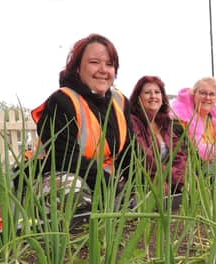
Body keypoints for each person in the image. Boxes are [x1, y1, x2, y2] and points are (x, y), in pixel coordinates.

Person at [30, 33, 133, 194]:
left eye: (109, 64)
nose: (103, 70)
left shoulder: (120, 102)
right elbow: (64, 158)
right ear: (77, 67)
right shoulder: (62, 101)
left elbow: (131, 152)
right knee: (72, 187)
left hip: (108, 181)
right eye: (94, 62)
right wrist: (111, 185)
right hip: (60, 179)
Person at [129, 76, 186, 193]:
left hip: (169, 179)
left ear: (162, 97)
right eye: (147, 92)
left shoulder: (164, 123)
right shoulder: (133, 121)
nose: (153, 96)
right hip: (146, 181)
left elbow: (178, 155)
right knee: (161, 187)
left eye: (157, 92)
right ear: (138, 98)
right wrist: (176, 177)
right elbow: (145, 157)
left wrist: (182, 179)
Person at [170, 77, 216, 163]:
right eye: (203, 93)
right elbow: (180, 156)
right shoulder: (180, 121)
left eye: (212, 94)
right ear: (194, 94)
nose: (207, 97)